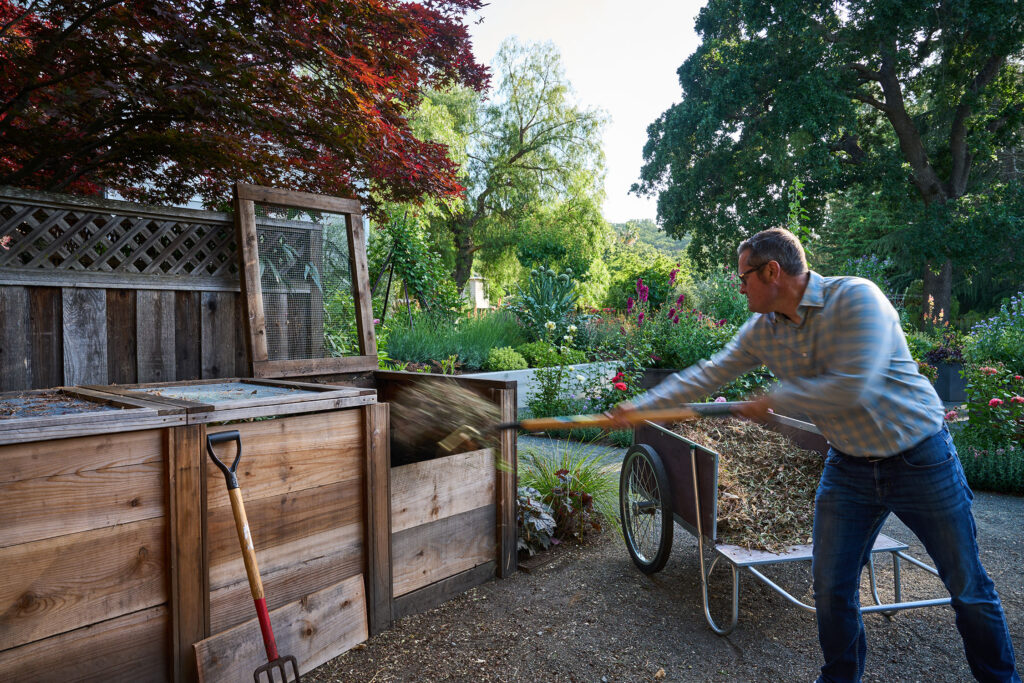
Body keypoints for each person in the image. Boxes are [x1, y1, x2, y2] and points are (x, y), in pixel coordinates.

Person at [612, 228, 1020, 683]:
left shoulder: (857, 300)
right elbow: (707, 375)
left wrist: (775, 399)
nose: (740, 287)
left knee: (966, 586)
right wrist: (642, 408)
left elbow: (853, 385)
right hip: (848, 467)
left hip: (919, 457)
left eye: (743, 276)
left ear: (772, 271)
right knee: (830, 588)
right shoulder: (762, 331)